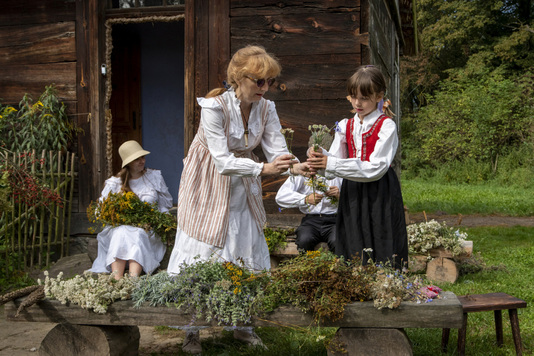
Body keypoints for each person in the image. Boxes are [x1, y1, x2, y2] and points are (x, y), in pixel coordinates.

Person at [167, 45, 309, 354]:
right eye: (259, 81)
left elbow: (277, 149)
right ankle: (192, 329)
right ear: (239, 77)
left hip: (243, 181)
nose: (265, 88)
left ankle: (243, 325)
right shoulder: (213, 107)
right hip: (208, 178)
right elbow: (221, 159)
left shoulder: (266, 108)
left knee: (245, 240)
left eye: (269, 81)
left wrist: (297, 165)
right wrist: (262, 168)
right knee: (202, 245)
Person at [307, 65, 408, 270]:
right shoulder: (345, 125)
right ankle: (357, 283)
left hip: (380, 189)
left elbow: (376, 168)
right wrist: (319, 157)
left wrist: (331, 163)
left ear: (379, 96)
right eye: (353, 97)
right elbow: (335, 159)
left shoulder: (386, 125)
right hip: (352, 189)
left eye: (364, 98)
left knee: (381, 233)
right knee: (354, 234)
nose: (357, 103)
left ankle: (386, 283)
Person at [89, 140, 173, 280]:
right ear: (128, 162)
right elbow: (101, 211)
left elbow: (167, 202)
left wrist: (156, 218)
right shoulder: (115, 183)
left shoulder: (153, 177)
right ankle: (118, 279)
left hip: (147, 227)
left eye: (142, 157)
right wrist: (119, 215)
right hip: (121, 226)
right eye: (136, 159)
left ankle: (133, 280)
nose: (142, 161)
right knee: (121, 232)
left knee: (138, 233)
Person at [275, 174, 342, 252]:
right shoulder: (302, 173)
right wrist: (305, 199)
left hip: (334, 221)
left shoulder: (338, 173)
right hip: (311, 221)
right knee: (304, 240)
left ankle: (338, 263)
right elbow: (280, 196)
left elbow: (354, 200)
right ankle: (306, 262)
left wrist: (340, 196)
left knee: (337, 241)